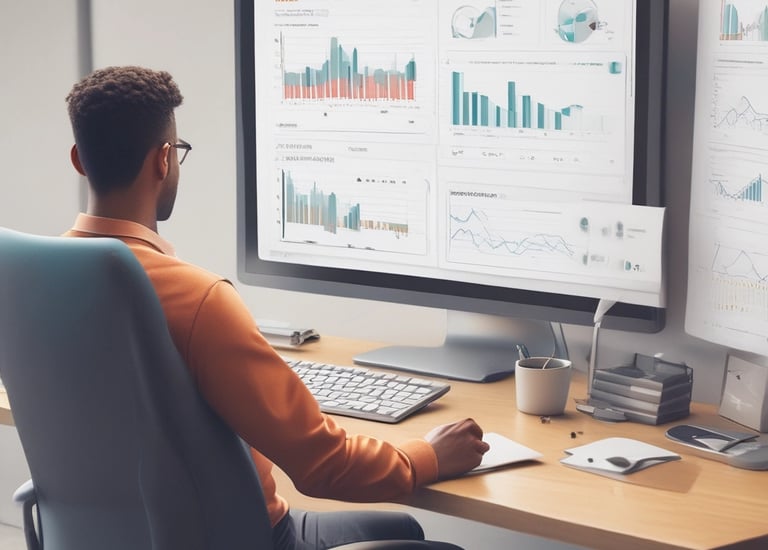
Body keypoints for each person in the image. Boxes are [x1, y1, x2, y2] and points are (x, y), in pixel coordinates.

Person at [62, 65, 489, 550]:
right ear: (163, 160)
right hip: (239, 538)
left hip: (119, 536)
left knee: (401, 532)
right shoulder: (197, 300)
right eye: (177, 152)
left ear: (79, 159)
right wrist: (426, 456)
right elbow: (324, 466)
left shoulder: (29, 279)